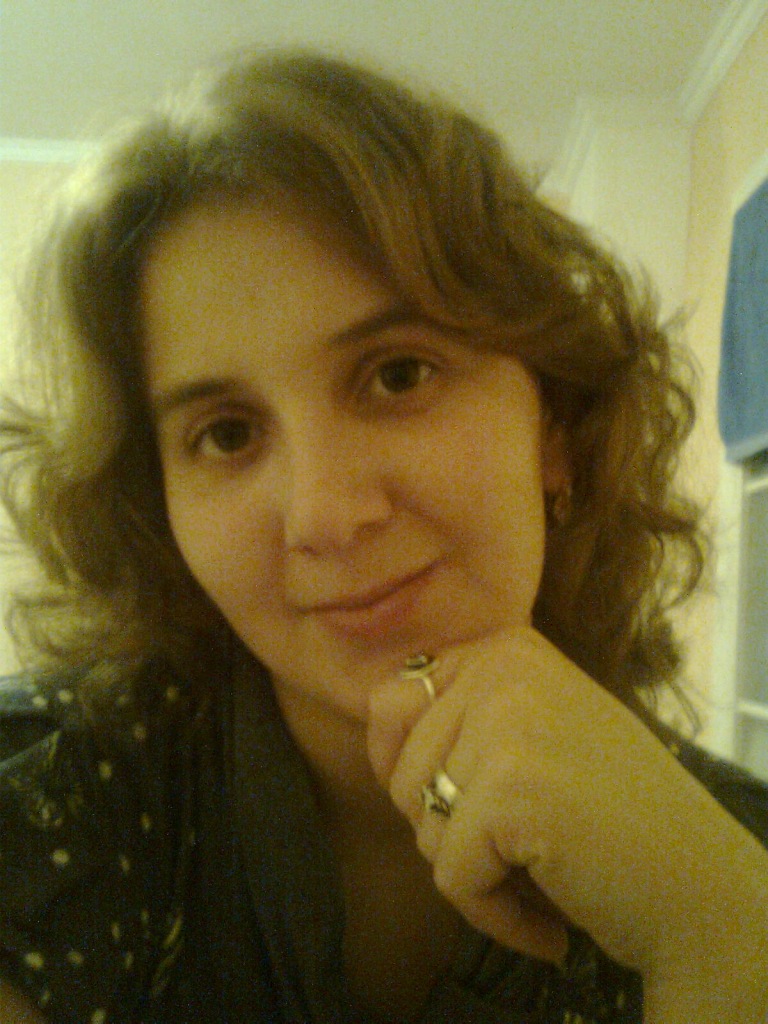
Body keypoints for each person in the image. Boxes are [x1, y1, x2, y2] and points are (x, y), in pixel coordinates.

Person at [0, 49, 767, 1024]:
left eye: (398, 375)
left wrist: (722, 951)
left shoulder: (736, 862)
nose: (324, 515)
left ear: (555, 429)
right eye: (226, 434)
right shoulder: (49, 802)